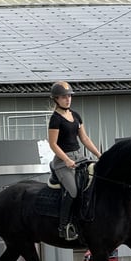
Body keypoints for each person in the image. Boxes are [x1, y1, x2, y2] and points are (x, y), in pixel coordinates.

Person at [48, 81, 101, 240]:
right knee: (73, 190)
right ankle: (64, 226)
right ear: (56, 99)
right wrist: (65, 160)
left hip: (80, 157)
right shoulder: (55, 119)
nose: (68, 99)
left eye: (69, 96)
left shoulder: (76, 115)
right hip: (63, 161)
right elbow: (53, 144)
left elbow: (84, 138)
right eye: (64, 97)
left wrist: (99, 155)